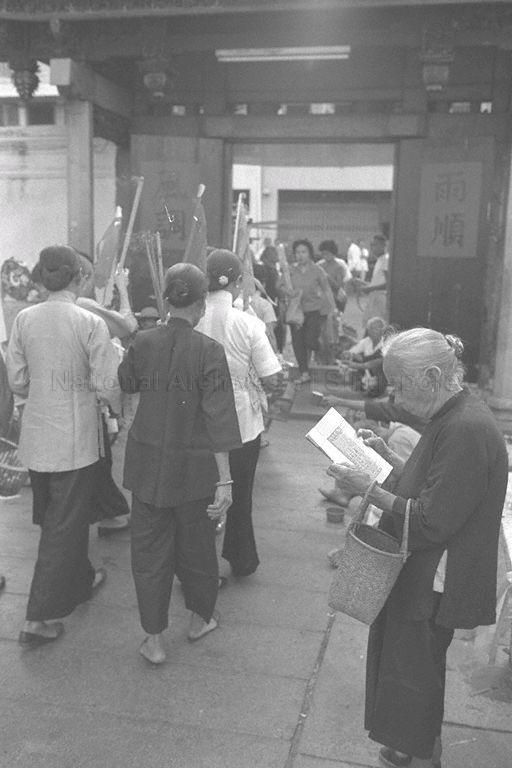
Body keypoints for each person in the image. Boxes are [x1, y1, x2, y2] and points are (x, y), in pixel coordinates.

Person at [327, 328, 508, 768]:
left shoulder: (466, 426)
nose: (396, 394)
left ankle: (423, 752)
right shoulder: (453, 415)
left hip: (439, 575)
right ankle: (409, 744)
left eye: (401, 384)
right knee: (407, 662)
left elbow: (430, 520)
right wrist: (384, 459)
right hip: (428, 568)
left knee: (416, 668)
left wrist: (368, 487)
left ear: (431, 375)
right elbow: (430, 487)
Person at [119, 263, 242, 664]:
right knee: (198, 547)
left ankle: (153, 640)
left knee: (149, 554)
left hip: (148, 464)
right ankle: (199, 619)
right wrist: (225, 481)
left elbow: (126, 383)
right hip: (195, 470)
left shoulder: (143, 342)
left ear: (167, 300)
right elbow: (220, 417)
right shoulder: (209, 351)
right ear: (202, 304)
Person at [6, 246, 121, 646]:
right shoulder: (89, 322)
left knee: (58, 516)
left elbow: (18, 381)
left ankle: (82, 578)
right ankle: (36, 619)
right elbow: (107, 385)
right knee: (62, 525)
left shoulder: (23, 318)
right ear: (79, 277)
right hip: (76, 437)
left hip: (37, 435)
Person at [196, 249, 281, 578]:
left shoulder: (192, 318)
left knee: (203, 493)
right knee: (240, 493)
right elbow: (272, 376)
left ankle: (199, 565)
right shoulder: (249, 323)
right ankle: (241, 558)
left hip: (200, 419)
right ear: (238, 281)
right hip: (242, 421)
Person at [281, 239, 335, 383]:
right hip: (296, 312)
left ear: (310, 254)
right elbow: (279, 286)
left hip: (313, 311)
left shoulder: (317, 270)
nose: (300, 255)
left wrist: (333, 308)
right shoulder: (290, 270)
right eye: (298, 252)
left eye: (303, 252)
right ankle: (304, 373)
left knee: (311, 340)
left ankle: (319, 354)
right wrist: (288, 291)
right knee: (298, 343)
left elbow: (327, 289)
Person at [338, 316, 387, 397]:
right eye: (370, 329)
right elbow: (352, 351)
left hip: (379, 373)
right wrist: (348, 354)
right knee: (356, 357)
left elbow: (374, 362)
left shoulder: (386, 343)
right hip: (366, 370)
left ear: (382, 331)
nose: (371, 331)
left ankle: (374, 387)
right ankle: (361, 384)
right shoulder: (366, 341)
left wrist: (357, 362)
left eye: (375, 329)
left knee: (374, 363)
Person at [353, 234, 389, 324]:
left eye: (375, 245)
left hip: (381, 300)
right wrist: (362, 283)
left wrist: (369, 289)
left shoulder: (386, 260)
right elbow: (377, 283)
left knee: (377, 327)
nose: (372, 248)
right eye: (371, 245)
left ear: (383, 245)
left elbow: (389, 284)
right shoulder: (380, 260)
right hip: (375, 298)